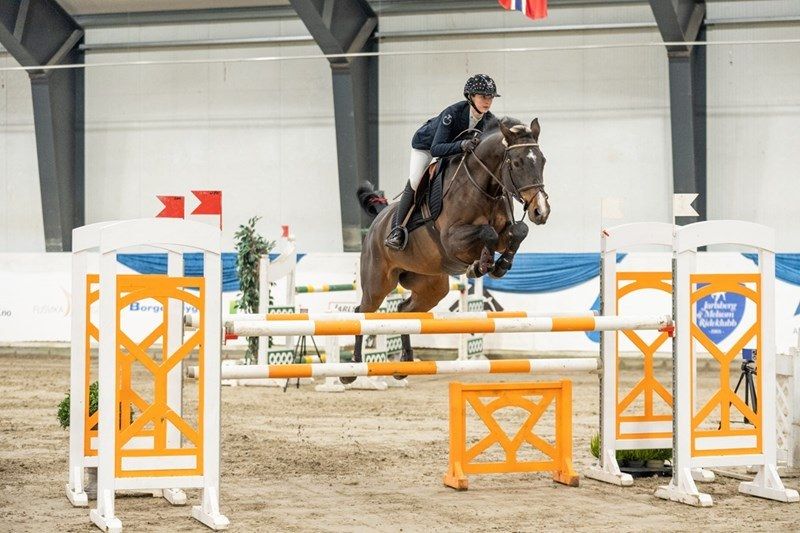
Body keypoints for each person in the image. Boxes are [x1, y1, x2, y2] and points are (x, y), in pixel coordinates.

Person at [384, 74, 500, 250]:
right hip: (426, 146)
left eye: (490, 97)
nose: (488, 101)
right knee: (415, 181)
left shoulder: (489, 120)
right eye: (483, 96)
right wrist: (462, 145)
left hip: (453, 150)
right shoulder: (452, 114)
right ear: (470, 96)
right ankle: (397, 230)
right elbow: (436, 149)